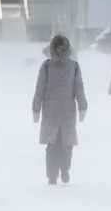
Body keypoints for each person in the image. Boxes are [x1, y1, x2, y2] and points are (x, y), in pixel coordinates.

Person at [32, 34, 87, 185]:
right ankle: (52, 175)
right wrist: (35, 109)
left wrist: (82, 107)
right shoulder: (46, 66)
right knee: (52, 145)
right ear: (53, 49)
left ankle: (64, 169)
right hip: (51, 113)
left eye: (62, 48)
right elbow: (40, 88)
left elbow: (79, 88)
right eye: (57, 48)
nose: (60, 50)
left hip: (68, 113)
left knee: (67, 145)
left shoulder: (74, 66)